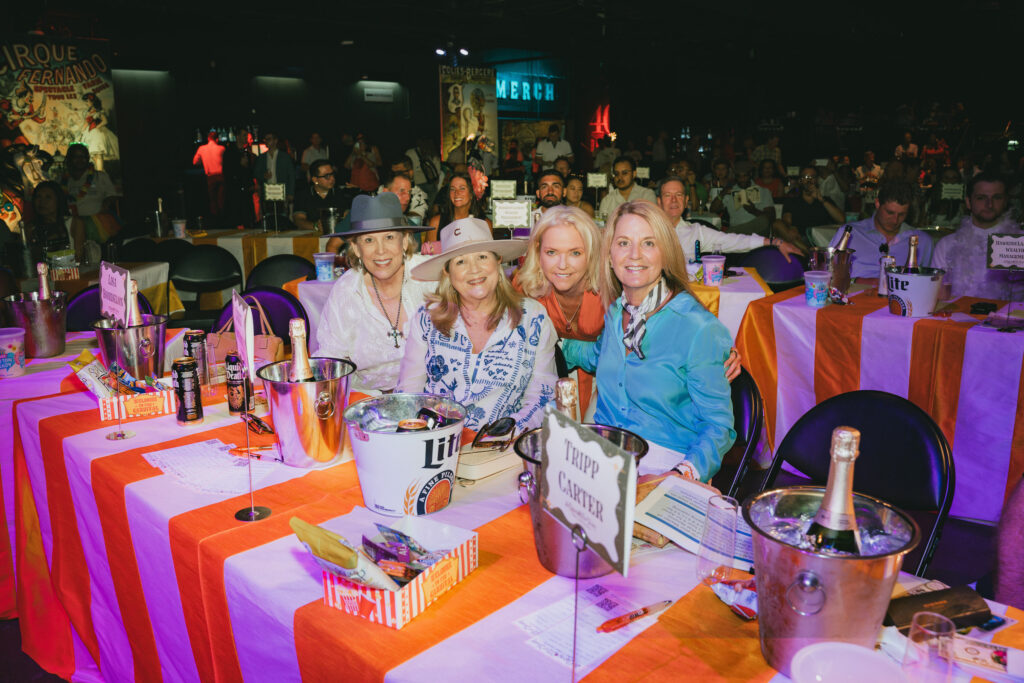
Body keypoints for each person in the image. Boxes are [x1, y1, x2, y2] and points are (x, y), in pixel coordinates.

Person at [561, 200, 736, 482]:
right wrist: (549, 342)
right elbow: (596, 355)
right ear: (609, 254)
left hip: (665, 464)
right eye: (623, 243)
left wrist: (681, 474)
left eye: (648, 243)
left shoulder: (698, 328)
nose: (634, 255)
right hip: (603, 455)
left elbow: (719, 427)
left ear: (665, 253)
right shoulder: (617, 311)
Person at [397, 218, 557, 432]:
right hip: (437, 442)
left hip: (506, 447)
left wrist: (505, 434)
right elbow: (410, 392)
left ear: (497, 261)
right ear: (448, 272)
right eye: (460, 262)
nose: (474, 269)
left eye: (482, 257)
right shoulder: (427, 318)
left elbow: (543, 397)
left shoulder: (533, 318)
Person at [315, 193, 432, 394]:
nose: (380, 251)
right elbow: (331, 360)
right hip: (367, 403)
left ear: (404, 241)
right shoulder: (347, 291)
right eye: (369, 240)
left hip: (428, 398)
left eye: (389, 237)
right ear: (356, 248)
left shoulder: (429, 278)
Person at [656, 176, 803, 261]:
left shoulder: (696, 232)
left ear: (686, 200)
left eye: (679, 195)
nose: (674, 200)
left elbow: (734, 241)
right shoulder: (645, 229)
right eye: (668, 195)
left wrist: (774, 241)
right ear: (659, 201)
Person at [931, 171, 1022, 299]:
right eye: (981, 198)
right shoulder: (947, 244)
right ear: (968, 202)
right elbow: (936, 295)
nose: (989, 204)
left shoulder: (1019, 243)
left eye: (997, 197)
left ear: (1005, 201)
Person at [828, 180, 934, 280]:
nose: (895, 220)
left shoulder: (922, 241)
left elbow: (928, 284)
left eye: (902, 214)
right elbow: (828, 275)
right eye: (890, 212)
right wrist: (857, 281)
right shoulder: (850, 234)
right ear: (877, 204)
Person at [61, 142, 120, 244]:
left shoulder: (100, 176)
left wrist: (105, 205)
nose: (81, 160)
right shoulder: (64, 181)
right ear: (69, 159)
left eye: (84, 156)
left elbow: (112, 196)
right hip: (73, 227)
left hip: (98, 227)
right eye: (76, 156)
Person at [777, 165, 845, 247]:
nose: (809, 180)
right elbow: (786, 221)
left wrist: (822, 200)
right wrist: (791, 227)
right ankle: (810, 253)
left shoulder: (825, 200)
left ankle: (810, 253)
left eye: (812, 177)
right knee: (777, 224)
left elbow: (841, 219)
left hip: (820, 240)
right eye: (805, 177)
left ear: (817, 180)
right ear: (800, 180)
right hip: (799, 239)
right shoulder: (792, 200)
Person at [24, 181, 84, 262]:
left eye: (48, 197)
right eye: (38, 197)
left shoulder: (74, 223)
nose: (42, 202)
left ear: (58, 200)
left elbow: (79, 258)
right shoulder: (31, 228)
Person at [424, 173, 490, 242]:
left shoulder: (485, 224)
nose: (456, 193)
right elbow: (429, 251)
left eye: (462, 188)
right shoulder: (436, 223)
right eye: (452, 189)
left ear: (471, 194)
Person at [294, 159, 354, 234]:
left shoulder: (340, 194)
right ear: (315, 180)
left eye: (333, 174)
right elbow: (298, 219)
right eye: (327, 176)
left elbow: (348, 215)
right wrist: (315, 226)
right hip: (311, 238)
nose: (332, 178)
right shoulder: (303, 195)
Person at [223, 128, 255, 229]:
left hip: (246, 191)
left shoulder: (246, 152)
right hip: (235, 191)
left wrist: (250, 185)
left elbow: (249, 172)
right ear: (237, 137)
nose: (246, 138)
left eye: (247, 135)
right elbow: (227, 172)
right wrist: (239, 165)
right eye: (244, 135)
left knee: (248, 219)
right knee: (235, 219)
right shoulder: (230, 152)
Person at [380, 157, 428, 222]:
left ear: (410, 173)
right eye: (392, 173)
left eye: (399, 172)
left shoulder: (419, 195)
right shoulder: (382, 189)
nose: (395, 175)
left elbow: (415, 221)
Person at [252, 131, 296, 203]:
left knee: (281, 213)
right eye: (265, 139)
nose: (266, 141)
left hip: (281, 190)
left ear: (275, 141)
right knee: (269, 213)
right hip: (267, 192)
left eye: (269, 139)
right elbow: (256, 173)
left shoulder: (285, 157)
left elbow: (291, 175)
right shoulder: (261, 157)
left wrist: (291, 193)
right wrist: (263, 175)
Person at [192, 130, 225, 221]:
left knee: (212, 199)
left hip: (210, 176)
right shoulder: (221, 148)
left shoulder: (202, 148)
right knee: (221, 199)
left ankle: (214, 219)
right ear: (217, 139)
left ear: (208, 139)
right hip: (221, 175)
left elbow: (195, 162)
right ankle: (222, 218)